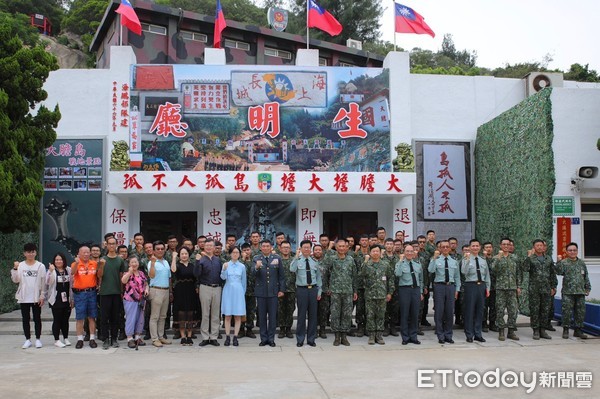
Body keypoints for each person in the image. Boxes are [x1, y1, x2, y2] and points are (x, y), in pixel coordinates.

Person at [11, 243, 47, 349]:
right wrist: (15, 269)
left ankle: (38, 339)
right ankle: (27, 339)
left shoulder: (40, 266)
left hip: (36, 297)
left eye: (32, 252)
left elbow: (43, 282)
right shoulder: (21, 265)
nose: (30, 254)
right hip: (24, 297)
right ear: (24, 253)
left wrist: (42, 296)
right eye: (28, 252)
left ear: (35, 252)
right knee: (25, 319)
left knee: (37, 318)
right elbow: (15, 280)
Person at [323, 239, 357, 346]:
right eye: (340, 246)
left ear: (347, 248)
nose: (342, 248)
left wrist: (355, 291)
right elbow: (325, 274)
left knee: (346, 314)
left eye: (344, 246)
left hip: (348, 291)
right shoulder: (332, 259)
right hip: (335, 291)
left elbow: (354, 276)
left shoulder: (350, 260)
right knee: (335, 314)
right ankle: (337, 336)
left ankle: (344, 336)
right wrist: (327, 288)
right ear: (336, 248)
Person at [522, 239, 557, 340]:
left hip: (546, 289)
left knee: (545, 310)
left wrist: (553, 286)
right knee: (535, 310)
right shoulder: (531, 258)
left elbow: (552, 274)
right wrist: (528, 257)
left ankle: (543, 330)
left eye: (541, 245)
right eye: (537, 245)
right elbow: (525, 268)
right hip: (534, 289)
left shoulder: (548, 259)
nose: (539, 247)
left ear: (544, 247)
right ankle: (536, 330)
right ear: (534, 247)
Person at [252, 240, 285, 347]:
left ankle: (271, 339)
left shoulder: (277, 258)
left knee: (272, 317)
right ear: (261, 248)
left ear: (271, 247)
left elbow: (281, 276)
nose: (265, 248)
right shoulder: (256, 258)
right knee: (261, 317)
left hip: (273, 292)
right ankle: (263, 338)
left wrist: (281, 290)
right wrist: (256, 267)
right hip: (261, 292)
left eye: (267, 246)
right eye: (264, 246)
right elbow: (252, 273)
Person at [555, 242, 591, 339]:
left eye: (574, 250)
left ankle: (578, 330)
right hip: (568, 292)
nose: (572, 252)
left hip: (580, 292)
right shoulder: (564, 263)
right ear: (566, 252)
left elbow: (586, 276)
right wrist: (558, 262)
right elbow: (558, 272)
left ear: (577, 251)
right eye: (570, 250)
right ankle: (566, 329)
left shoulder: (581, 263)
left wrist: (587, 288)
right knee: (566, 311)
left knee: (580, 312)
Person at [428, 240, 461, 344]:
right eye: (443, 247)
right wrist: (434, 258)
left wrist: (457, 289)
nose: (446, 248)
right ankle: (440, 335)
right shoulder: (436, 260)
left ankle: (448, 335)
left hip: (450, 287)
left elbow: (457, 277)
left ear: (450, 248)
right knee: (439, 311)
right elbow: (431, 270)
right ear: (440, 248)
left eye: (447, 247)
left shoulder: (454, 261)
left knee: (449, 312)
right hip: (439, 287)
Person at [291, 240, 322, 347]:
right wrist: (296, 256)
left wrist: (319, 291)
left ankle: (311, 339)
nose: (306, 249)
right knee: (301, 315)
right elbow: (292, 269)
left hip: (313, 290)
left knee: (313, 316)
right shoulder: (297, 260)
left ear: (310, 249)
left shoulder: (314, 261)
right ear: (301, 248)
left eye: (308, 247)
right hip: (302, 290)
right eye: (304, 247)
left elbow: (318, 277)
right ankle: (300, 339)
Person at [361, 245, 394, 345]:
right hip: (370, 295)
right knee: (370, 315)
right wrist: (365, 262)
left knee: (380, 315)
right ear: (370, 253)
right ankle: (371, 336)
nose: (375, 253)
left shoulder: (385, 264)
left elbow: (391, 279)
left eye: (377, 251)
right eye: (373, 251)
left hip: (382, 295)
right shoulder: (367, 264)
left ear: (380, 253)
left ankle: (379, 336)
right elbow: (361, 275)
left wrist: (390, 292)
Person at [490, 238, 521, 341]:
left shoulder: (515, 258)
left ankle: (511, 331)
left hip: (512, 288)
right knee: (500, 310)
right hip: (501, 288)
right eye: (504, 244)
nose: (506, 246)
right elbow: (493, 271)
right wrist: (499, 258)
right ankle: (501, 331)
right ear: (500, 246)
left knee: (513, 310)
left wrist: (519, 286)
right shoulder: (496, 258)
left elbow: (518, 273)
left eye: (508, 244)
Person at [98, 237, 127, 349]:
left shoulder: (120, 260)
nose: (111, 246)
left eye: (113, 244)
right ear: (107, 245)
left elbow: (121, 277)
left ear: (116, 245)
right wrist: (101, 265)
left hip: (116, 293)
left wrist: (121, 291)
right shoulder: (103, 259)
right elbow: (99, 275)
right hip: (105, 292)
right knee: (104, 317)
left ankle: (114, 339)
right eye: (109, 244)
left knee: (115, 317)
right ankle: (105, 339)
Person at [194, 239, 223, 347]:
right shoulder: (201, 259)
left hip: (217, 288)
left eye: (211, 245)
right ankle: (205, 337)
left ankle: (214, 337)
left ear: (214, 247)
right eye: (207, 245)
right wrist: (197, 262)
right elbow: (196, 274)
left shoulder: (218, 260)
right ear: (204, 247)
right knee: (205, 314)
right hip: (205, 287)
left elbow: (221, 274)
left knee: (215, 314)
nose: (209, 247)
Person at [461, 239, 491, 343]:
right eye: (473, 246)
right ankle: (469, 334)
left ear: (480, 247)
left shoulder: (483, 260)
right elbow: (463, 272)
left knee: (480, 310)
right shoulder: (465, 259)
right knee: (469, 310)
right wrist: (468, 260)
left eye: (477, 246)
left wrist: (487, 288)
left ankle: (478, 333)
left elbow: (487, 276)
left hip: (481, 286)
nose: (475, 248)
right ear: (469, 247)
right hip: (471, 285)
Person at [71, 245, 101, 349]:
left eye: (88, 252)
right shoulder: (75, 263)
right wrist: (76, 262)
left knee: (92, 316)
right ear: (79, 254)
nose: (86, 254)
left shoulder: (94, 263)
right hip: (79, 294)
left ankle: (92, 338)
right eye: (83, 252)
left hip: (92, 292)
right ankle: (80, 339)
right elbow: (72, 272)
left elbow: (99, 276)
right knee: (80, 317)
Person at [395, 245, 423, 345]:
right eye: (407, 251)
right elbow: (397, 274)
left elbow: (420, 279)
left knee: (415, 314)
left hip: (415, 290)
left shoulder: (417, 264)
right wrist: (400, 261)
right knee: (405, 314)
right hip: (405, 290)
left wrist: (420, 292)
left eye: (411, 251)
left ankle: (413, 336)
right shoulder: (400, 263)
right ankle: (405, 337)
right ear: (404, 252)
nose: (410, 253)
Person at [220, 247, 247, 347]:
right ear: (230, 254)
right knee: (227, 315)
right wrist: (224, 269)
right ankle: (227, 336)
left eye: (237, 252)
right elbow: (222, 277)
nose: (235, 254)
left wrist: (242, 293)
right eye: (233, 252)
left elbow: (244, 282)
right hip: (228, 291)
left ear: (239, 254)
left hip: (239, 292)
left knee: (237, 315)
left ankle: (235, 337)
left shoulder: (242, 266)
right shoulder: (226, 264)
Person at [148, 240, 172, 347]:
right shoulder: (151, 262)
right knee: (155, 316)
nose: (160, 251)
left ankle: (161, 336)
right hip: (156, 290)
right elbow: (151, 276)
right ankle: (154, 338)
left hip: (166, 290)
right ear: (153, 250)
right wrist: (153, 263)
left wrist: (170, 291)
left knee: (163, 316)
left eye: (162, 249)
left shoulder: (166, 262)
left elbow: (169, 277)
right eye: (157, 249)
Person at [171, 246, 197, 345]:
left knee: (190, 313)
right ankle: (183, 336)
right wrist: (174, 257)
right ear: (179, 255)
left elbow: (196, 277)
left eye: (186, 253)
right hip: (180, 291)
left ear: (189, 255)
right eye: (182, 254)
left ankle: (189, 336)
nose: (184, 255)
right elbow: (173, 270)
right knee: (181, 314)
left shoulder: (192, 265)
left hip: (191, 290)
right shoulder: (177, 265)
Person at [121, 256, 148, 348]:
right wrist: (129, 272)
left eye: (136, 262)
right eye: (132, 262)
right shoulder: (127, 273)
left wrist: (147, 289)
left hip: (141, 299)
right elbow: (123, 281)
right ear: (129, 264)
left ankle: (137, 337)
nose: (134, 264)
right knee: (130, 318)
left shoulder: (141, 273)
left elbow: (146, 284)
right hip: (130, 300)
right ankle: (130, 338)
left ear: (138, 263)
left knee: (140, 319)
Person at [46, 252, 72, 348]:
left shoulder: (68, 270)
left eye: (60, 259)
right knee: (57, 319)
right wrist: (50, 272)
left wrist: (72, 299)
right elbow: (48, 282)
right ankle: (56, 340)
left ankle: (66, 338)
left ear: (64, 260)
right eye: (56, 260)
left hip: (66, 299)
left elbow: (71, 285)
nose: (58, 261)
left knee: (65, 320)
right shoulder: (51, 271)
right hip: (56, 299)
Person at [278, 241, 296, 339]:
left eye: (287, 247)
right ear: (280, 248)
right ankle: (281, 329)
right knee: (280, 310)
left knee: (290, 310)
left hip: (292, 289)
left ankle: (288, 329)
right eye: (284, 247)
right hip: (280, 289)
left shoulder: (294, 260)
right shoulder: (277, 260)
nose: (286, 249)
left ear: (290, 249)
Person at [239, 243, 257, 339]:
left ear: (251, 250)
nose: (246, 252)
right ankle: (241, 329)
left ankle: (249, 329)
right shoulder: (239, 262)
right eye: (244, 250)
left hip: (252, 291)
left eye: (248, 250)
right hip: (241, 291)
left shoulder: (255, 261)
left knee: (251, 311)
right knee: (241, 311)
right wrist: (242, 259)